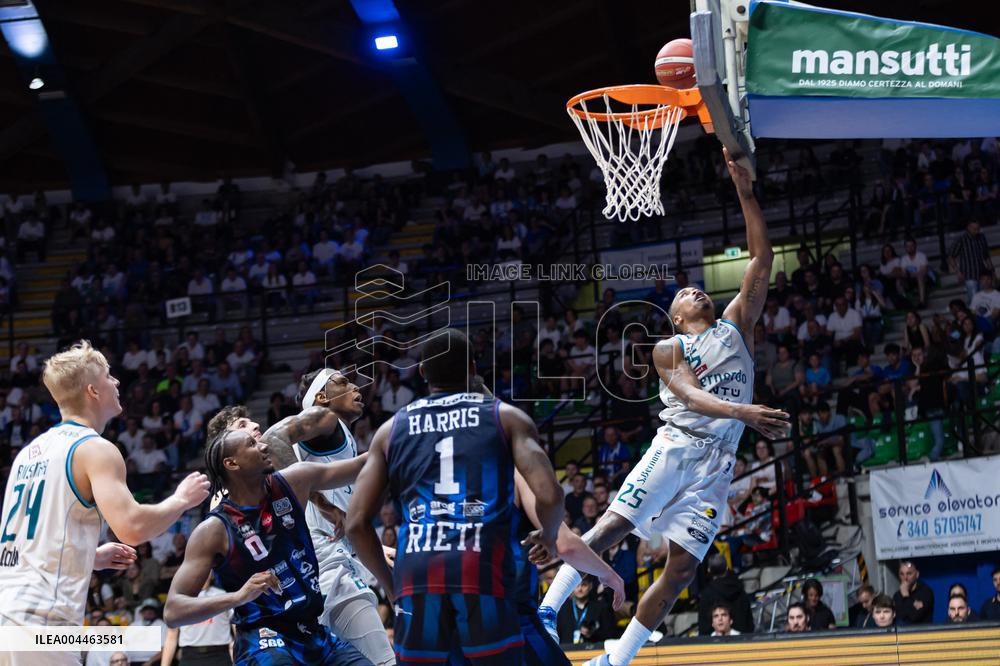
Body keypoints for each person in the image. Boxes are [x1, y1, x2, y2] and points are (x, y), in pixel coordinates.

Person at [538, 149, 789, 666]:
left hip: (716, 467)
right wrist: (745, 414)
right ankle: (549, 608)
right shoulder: (667, 348)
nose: (694, 289)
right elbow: (693, 396)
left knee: (680, 571)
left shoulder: (737, 323)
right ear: (675, 316)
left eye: (698, 288)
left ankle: (615, 660)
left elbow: (761, 260)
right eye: (683, 292)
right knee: (613, 527)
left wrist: (745, 192)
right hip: (676, 448)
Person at [345, 329, 565, 665]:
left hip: (418, 571)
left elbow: (357, 523)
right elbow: (549, 495)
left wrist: (392, 586)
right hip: (480, 565)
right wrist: (548, 535)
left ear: (421, 373)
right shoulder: (505, 417)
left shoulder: (391, 430)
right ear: (473, 368)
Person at [0, 341, 208, 645]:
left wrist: (89, 556)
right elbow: (133, 527)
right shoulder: (94, 448)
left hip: (9, 613)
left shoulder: (28, 453)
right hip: (45, 621)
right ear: (93, 391)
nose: (116, 381)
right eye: (109, 375)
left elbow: (23, 542)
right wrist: (182, 500)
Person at [163, 427, 371, 665]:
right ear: (231, 463)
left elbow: (362, 465)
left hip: (315, 634)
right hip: (262, 639)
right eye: (252, 444)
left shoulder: (294, 481)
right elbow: (173, 611)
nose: (263, 446)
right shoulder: (213, 531)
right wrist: (238, 597)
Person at [292, 369, 395, 666]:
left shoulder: (340, 435)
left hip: (324, 566)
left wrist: (375, 548)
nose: (354, 386)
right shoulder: (324, 418)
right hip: (329, 569)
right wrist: (320, 500)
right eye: (342, 382)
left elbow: (340, 518)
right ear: (321, 397)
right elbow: (275, 440)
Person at [162, 575, 233, 666]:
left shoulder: (223, 595)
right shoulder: (178, 599)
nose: (203, 569)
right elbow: (171, 637)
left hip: (219, 655)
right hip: (189, 656)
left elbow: (237, 630)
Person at [697, 554, 753, 636]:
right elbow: (749, 621)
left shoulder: (707, 594)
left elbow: (704, 627)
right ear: (727, 568)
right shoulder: (740, 589)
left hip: (716, 643)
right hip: (742, 640)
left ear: (709, 570)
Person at [893, 560, 935, 625]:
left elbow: (914, 617)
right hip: (902, 633)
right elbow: (899, 618)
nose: (905, 578)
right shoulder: (897, 596)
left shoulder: (926, 592)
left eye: (909, 573)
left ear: (917, 574)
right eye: (902, 574)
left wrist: (906, 596)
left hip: (922, 632)